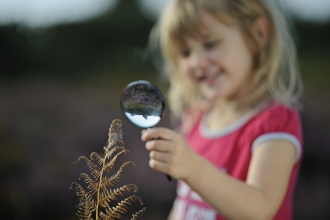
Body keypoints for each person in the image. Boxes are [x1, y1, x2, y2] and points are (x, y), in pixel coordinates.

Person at [141, 0, 303, 219]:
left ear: (258, 35)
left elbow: (261, 208)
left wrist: (192, 168)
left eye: (210, 44)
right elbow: (184, 203)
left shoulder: (275, 122)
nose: (196, 62)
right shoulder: (197, 117)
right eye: (185, 52)